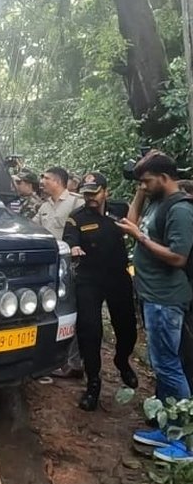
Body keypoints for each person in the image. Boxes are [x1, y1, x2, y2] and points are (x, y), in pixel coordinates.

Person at [117, 152, 193, 462]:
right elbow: (130, 224)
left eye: (147, 181)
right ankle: (166, 427)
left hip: (166, 300)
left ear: (164, 178)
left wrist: (141, 239)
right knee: (161, 366)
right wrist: (140, 190)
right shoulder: (156, 200)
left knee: (170, 369)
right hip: (152, 298)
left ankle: (185, 442)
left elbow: (178, 257)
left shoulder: (180, 210)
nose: (144, 187)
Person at [63, 172, 138, 411]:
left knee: (127, 328)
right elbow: (70, 238)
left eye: (95, 193)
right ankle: (93, 384)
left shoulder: (121, 209)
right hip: (89, 280)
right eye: (86, 193)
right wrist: (74, 247)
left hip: (118, 277)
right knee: (90, 331)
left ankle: (122, 360)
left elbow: (136, 226)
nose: (90, 198)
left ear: (106, 191)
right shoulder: (76, 218)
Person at [34, 167, 85, 377]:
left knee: (75, 311)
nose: (42, 181)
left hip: (73, 267)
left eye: (45, 178)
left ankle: (75, 363)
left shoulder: (76, 202)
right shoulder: (44, 206)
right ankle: (54, 359)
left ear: (56, 181)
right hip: (49, 269)